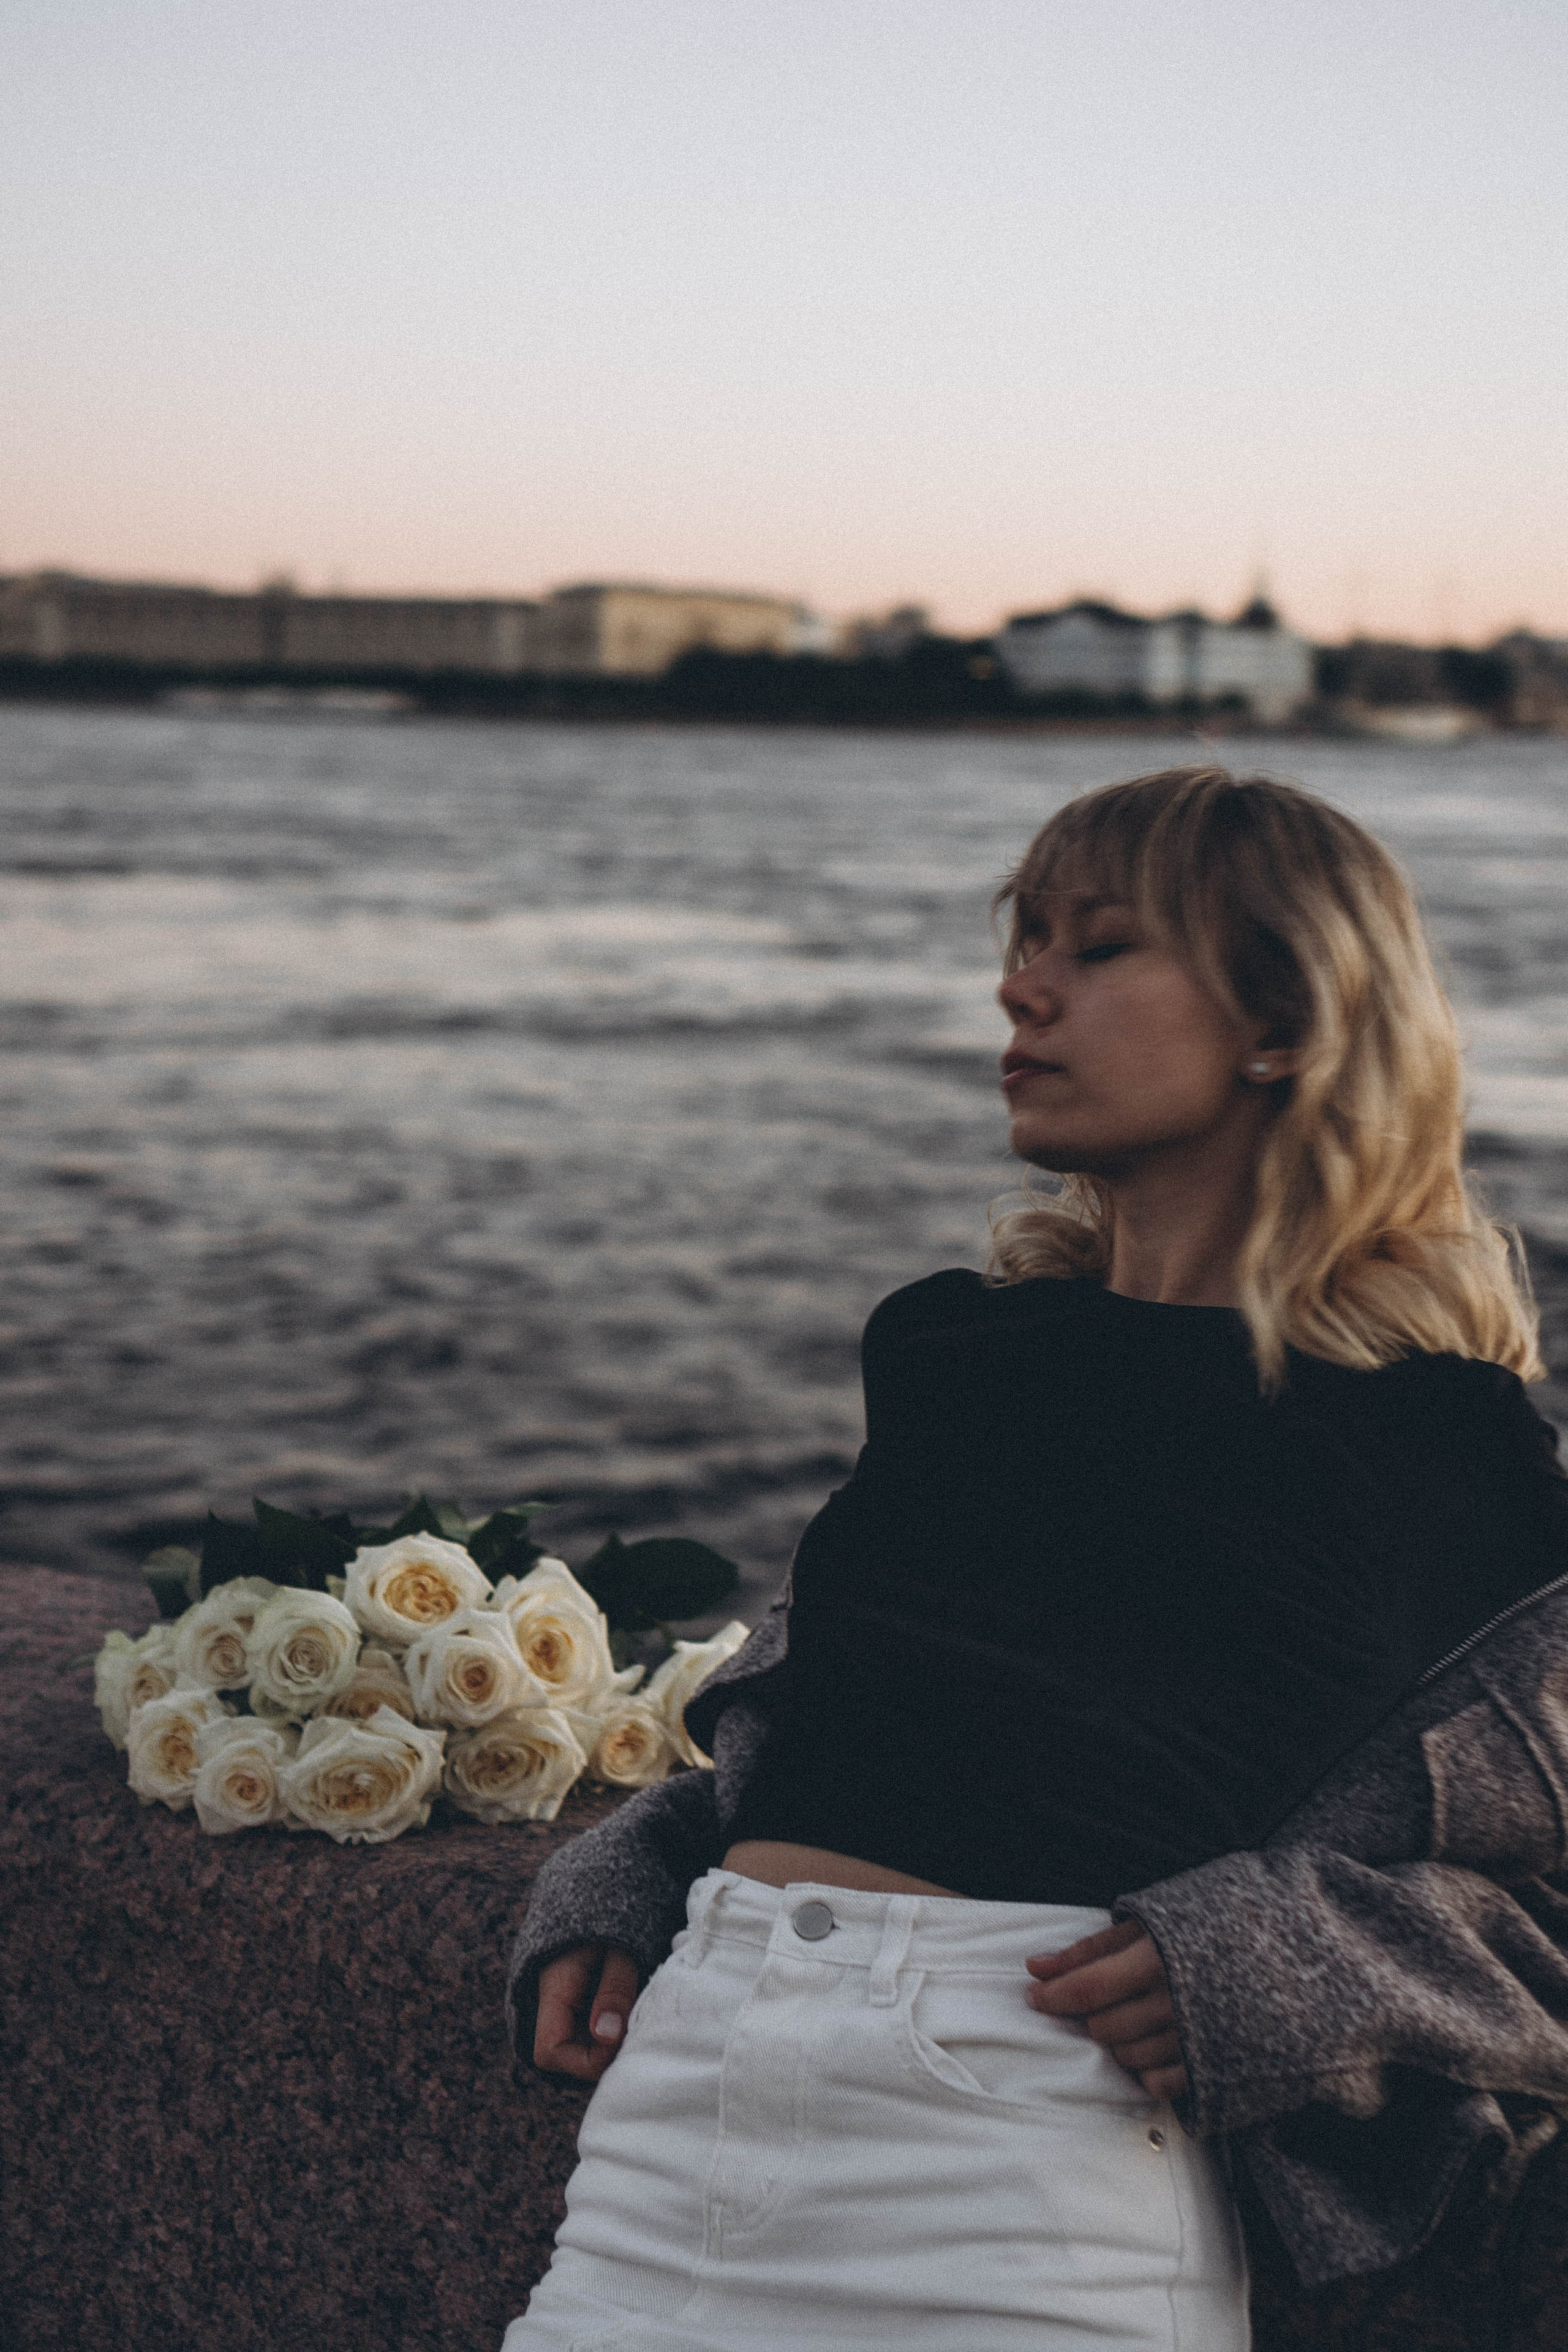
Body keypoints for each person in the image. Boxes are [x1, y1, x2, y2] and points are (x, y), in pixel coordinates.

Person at [502, 766, 1568, 2351]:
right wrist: (654, 1857)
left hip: (1025, 2160)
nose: (1021, 985)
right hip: (684, 2118)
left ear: (1287, 1021)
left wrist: (1279, 1962)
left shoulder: (1440, 1448)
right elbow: (883, 1718)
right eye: (1027, 938)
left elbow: (1532, 1903)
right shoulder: (952, 1353)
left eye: (1102, 946)